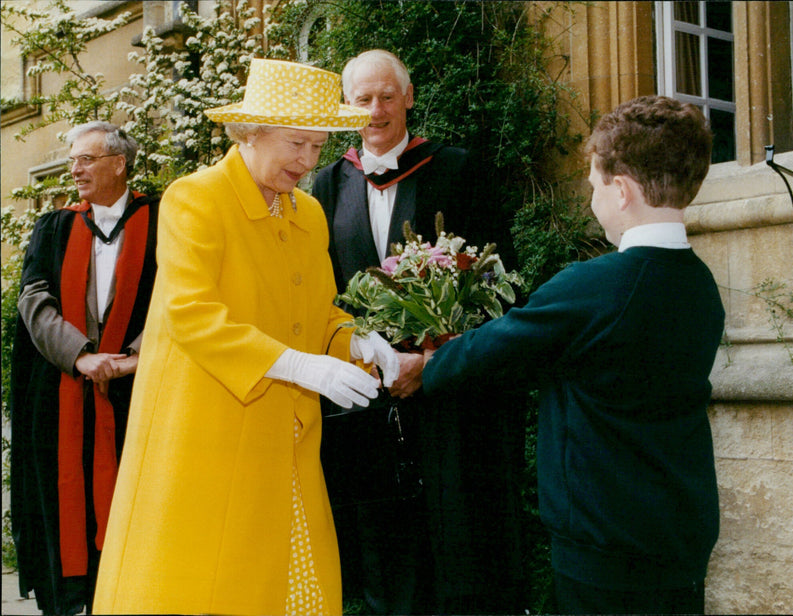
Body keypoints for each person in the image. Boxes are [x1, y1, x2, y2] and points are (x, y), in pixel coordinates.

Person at [91, 59, 399, 616]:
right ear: (250, 132)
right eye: (295, 143)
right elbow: (191, 314)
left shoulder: (307, 212)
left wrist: (355, 342)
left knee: (296, 593)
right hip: (207, 437)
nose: (307, 162)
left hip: (285, 440)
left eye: (318, 146)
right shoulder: (196, 198)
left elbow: (317, 314)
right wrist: (303, 367)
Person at [421, 95, 725, 614]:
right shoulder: (701, 285)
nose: (592, 201)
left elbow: (493, 350)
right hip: (677, 540)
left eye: (594, 186)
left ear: (622, 189)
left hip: (606, 549)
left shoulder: (595, 285)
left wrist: (426, 365)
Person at [313, 49, 526, 614]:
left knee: (459, 542)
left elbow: (498, 279)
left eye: (388, 96)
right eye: (364, 99)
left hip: (448, 392)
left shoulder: (459, 170)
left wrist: (437, 352)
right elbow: (319, 291)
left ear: (409, 98)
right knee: (385, 549)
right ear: (347, 106)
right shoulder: (324, 186)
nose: (377, 110)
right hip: (367, 400)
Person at [9, 121, 159, 616]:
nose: (74, 169)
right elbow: (34, 301)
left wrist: (134, 355)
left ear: (119, 163)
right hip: (64, 395)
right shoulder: (54, 227)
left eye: (86, 159)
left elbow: (178, 297)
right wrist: (80, 355)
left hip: (138, 393)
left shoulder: (162, 221)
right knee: (62, 504)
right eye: (73, 160)